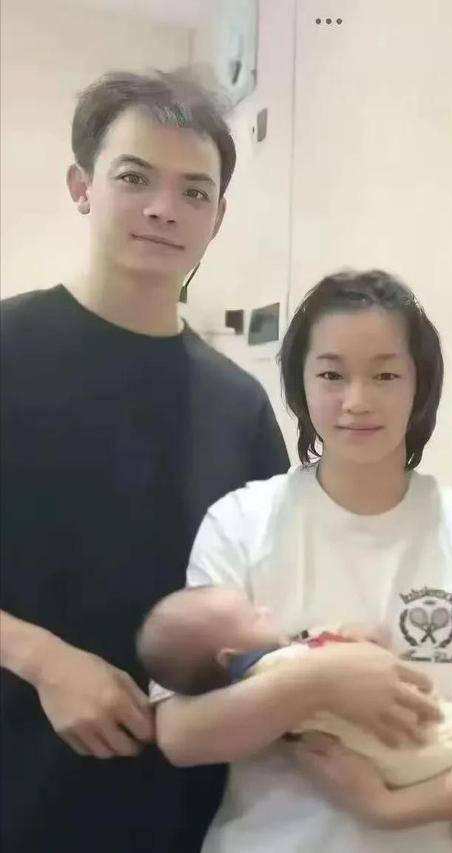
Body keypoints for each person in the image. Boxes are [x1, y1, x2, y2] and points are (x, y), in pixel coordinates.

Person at [154, 269, 452, 853]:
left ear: (421, 386)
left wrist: (388, 809)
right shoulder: (240, 523)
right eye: (331, 374)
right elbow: (181, 734)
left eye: (386, 374)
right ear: (299, 384)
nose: (357, 401)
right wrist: (320, 681)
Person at [0, 68, 291, 853]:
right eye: (135, 178)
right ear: (82, 186)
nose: (165, 208)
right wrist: (43, 659)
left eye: (195, 192)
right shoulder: (9, 350)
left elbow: (269, 595)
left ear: (217, 217)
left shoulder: (238, 405)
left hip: (183, 803)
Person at [138, 585, 452, 851]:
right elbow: (328, 665)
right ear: (230, 656)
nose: (265, 610)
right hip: (402, 750)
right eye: (253, 615)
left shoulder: (271, 678)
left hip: (388, 759)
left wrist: (349, 641)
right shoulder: (274, 670)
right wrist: (348, 653)